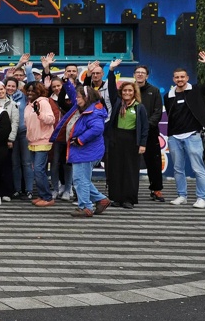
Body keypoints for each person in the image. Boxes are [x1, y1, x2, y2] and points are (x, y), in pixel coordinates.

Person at [164, 52, 205, 208]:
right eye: (177, 77)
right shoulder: (168, 95)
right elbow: (170, 114)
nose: (180, 79)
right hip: (174, 137)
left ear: (187, 78)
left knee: (197, 168)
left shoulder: (196, 90)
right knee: (178, 169)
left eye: (182, 77)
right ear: (173, 79)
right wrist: (171, 135)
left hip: (193, 136)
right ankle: (182, 196)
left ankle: (202, 198)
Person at [54, 83, 110, 218]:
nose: (76, 99)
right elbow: (74, 95)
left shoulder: (93, 112)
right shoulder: (85, 108)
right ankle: (101, 199)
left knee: (80, 180)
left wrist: (80, 140)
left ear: (87, 98)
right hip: (83, 150)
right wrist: (67, 82)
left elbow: (97, 129)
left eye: (79, 97)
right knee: (83, 179)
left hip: (86, 151)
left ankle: (85, 207)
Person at [105, 80, 149, 209]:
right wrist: (111, 70)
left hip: (132, 140)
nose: (127, 93)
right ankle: (116, 198)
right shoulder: (118, 104)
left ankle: (128, 199)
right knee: (116, 169)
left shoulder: (139, 107)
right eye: (125, 90)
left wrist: (142, 144)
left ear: (134, 93)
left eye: (130, 90)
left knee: (130, 170)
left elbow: (145, 128)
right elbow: (111, 89)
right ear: (121, 92)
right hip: (117, 139)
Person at [132, 65, 165, 201]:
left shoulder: (154, 91)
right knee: (130, 163)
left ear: (147, 76)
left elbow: (158, 113)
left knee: (154, 162)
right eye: (138, 72)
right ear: (134, 75)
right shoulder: (129, 90)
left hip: (150, 133)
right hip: (131, 133)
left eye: (143, 73)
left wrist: (145, 126)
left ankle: (156, 190)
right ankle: (130, 190)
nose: (140, 75)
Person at [24, 82, 59, 207]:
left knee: (39, 170)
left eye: (33, 91)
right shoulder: (29, 105)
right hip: (32, 141)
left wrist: (39, 114)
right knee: (37, 170)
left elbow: (51, 119)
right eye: (28, 90)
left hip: (43, 140)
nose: (30, 93)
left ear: (39, 91)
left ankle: (48, 197)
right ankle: (42, 195)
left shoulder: (43, 102)